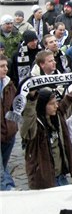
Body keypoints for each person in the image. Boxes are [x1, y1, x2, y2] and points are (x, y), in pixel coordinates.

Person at [21, 83, 72, 189]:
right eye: (51, 104)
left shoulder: (58, 116)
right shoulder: (33, 125)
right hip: (43, 180)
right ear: (42, 105)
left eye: (56, 103)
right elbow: (28, 115)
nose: (56, 106)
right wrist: (31, 98)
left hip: (61, 176)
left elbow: (71, 99)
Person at [0, 54, 17, 190]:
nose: (6, 69)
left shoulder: (9, 84)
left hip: (9, 133)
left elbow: (15, 108)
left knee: (3, 167)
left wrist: (15, 125)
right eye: (2, 66)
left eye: (6, 66)